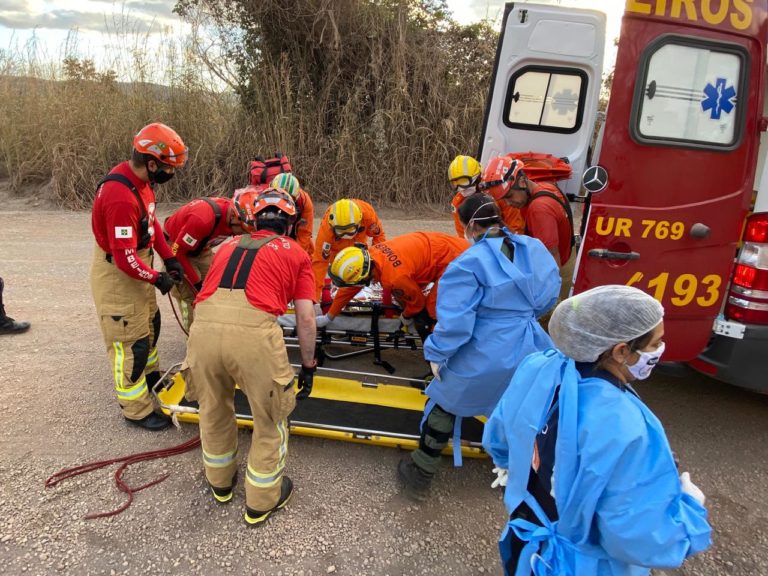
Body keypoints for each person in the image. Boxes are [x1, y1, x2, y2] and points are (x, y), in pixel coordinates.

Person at [482, 285, 712, 575]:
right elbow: (635, 537)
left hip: (525, 537)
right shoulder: (625, 425)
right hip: (578, 565)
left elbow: (500, 430)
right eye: (655, 343)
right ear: (621, 351)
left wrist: (508, 466)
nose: (659, 350)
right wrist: (689, 512)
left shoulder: (538, 366)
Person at [398, 194, 560, 501]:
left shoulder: (469, 264)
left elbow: (456, 325)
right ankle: (522, 477)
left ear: (469, 225)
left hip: (486, 349)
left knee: (445, 400)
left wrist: (435, 353)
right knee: (525, 407)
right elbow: (551, 296)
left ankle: (420, 473)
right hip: (532, 345)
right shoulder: (534, 248)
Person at [183, 187, 317, 526]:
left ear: (254, 220)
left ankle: (220, 484)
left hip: (204, 331)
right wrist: (309, 365)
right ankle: (261, 501)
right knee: (271, 418)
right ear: (289, 223)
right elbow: (305, 319)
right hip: (255, 337)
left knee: (212, 409)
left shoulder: (225, 245)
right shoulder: (297, 253)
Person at [90, 122, 187, 431]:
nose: (172, 174)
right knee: (131, 343)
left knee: (149, 326)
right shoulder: (120, 196)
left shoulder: (142, 183)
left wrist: (169, 258)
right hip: (120, 274)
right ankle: (136, 409)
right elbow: (124, 258)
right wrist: (156, 278)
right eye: (169, 168)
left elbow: (152, 225)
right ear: (152, 163)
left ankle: (149, 377)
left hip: (138, 265)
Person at [318, 232, 469, 341]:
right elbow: (350, 288)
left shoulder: (394, 278)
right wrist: (329, 316)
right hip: (446, 246)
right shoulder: (370, 255)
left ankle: (437, 367)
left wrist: (406, 316)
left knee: (429, 315)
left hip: (456, 259)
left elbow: (417, 303)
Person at [162, 193, 245, 330]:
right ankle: (192, 338)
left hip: (201, 246)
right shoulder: (202, 219)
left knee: (215, 287)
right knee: (190, 295)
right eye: (242, 229)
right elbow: (177, 253)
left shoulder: (238, 213)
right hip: (177, 247)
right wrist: (197, 283)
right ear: (232, 218)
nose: (242, 234)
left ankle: (211, 330)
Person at [311, 198, 386, 300]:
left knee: (365, 270)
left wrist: (375, 264)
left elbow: (379, 236)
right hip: (337, 253)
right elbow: (320, 260)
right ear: (333, 227)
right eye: (341, 232)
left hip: (359, 248)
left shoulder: (367, 215)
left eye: (350, 231)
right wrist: (314, 297)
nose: (346, 235)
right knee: (340, 276)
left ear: (359, 222)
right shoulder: (326, 229)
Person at [448, 155, 525, 237]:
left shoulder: (497, 193)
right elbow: (462, 234)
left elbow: (516, 226)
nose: (460, 188)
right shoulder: (458, 203)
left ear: (478, 177)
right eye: (455, 183)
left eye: (463, 181)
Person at [270, 173, 314, 255]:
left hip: (294, 235)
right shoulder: (265, 199)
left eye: (288, 198)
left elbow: (304, 234)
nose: (284, 202)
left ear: (295, 198)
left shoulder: (304, 203)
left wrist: (296, 256)